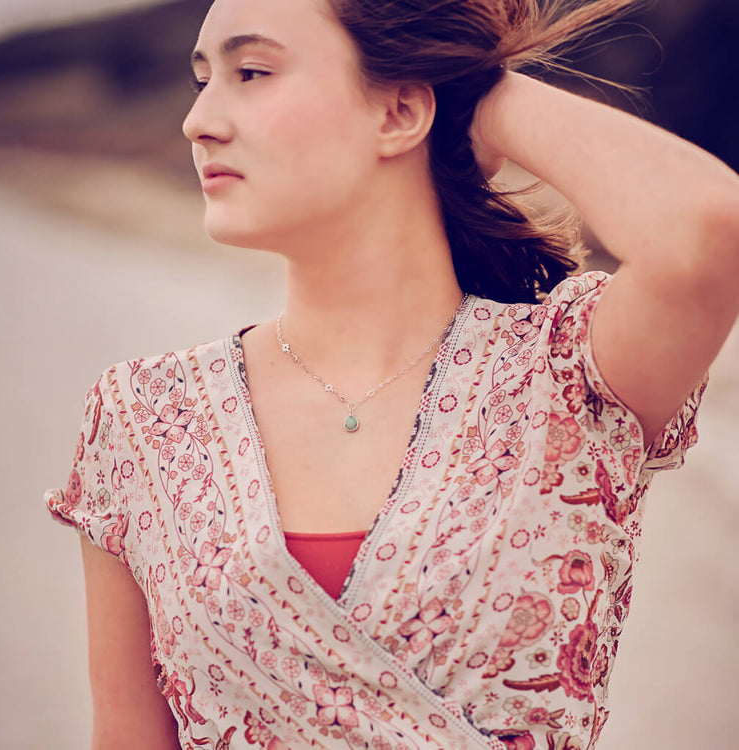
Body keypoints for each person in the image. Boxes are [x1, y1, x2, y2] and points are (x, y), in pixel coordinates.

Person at [44, 0, 739, 748]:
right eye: (201, 78)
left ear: (401, 110)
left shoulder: (566, 375)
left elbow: (708, 231)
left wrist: (483, 95)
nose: (198, 120)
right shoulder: (145, 419)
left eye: (251, 71)